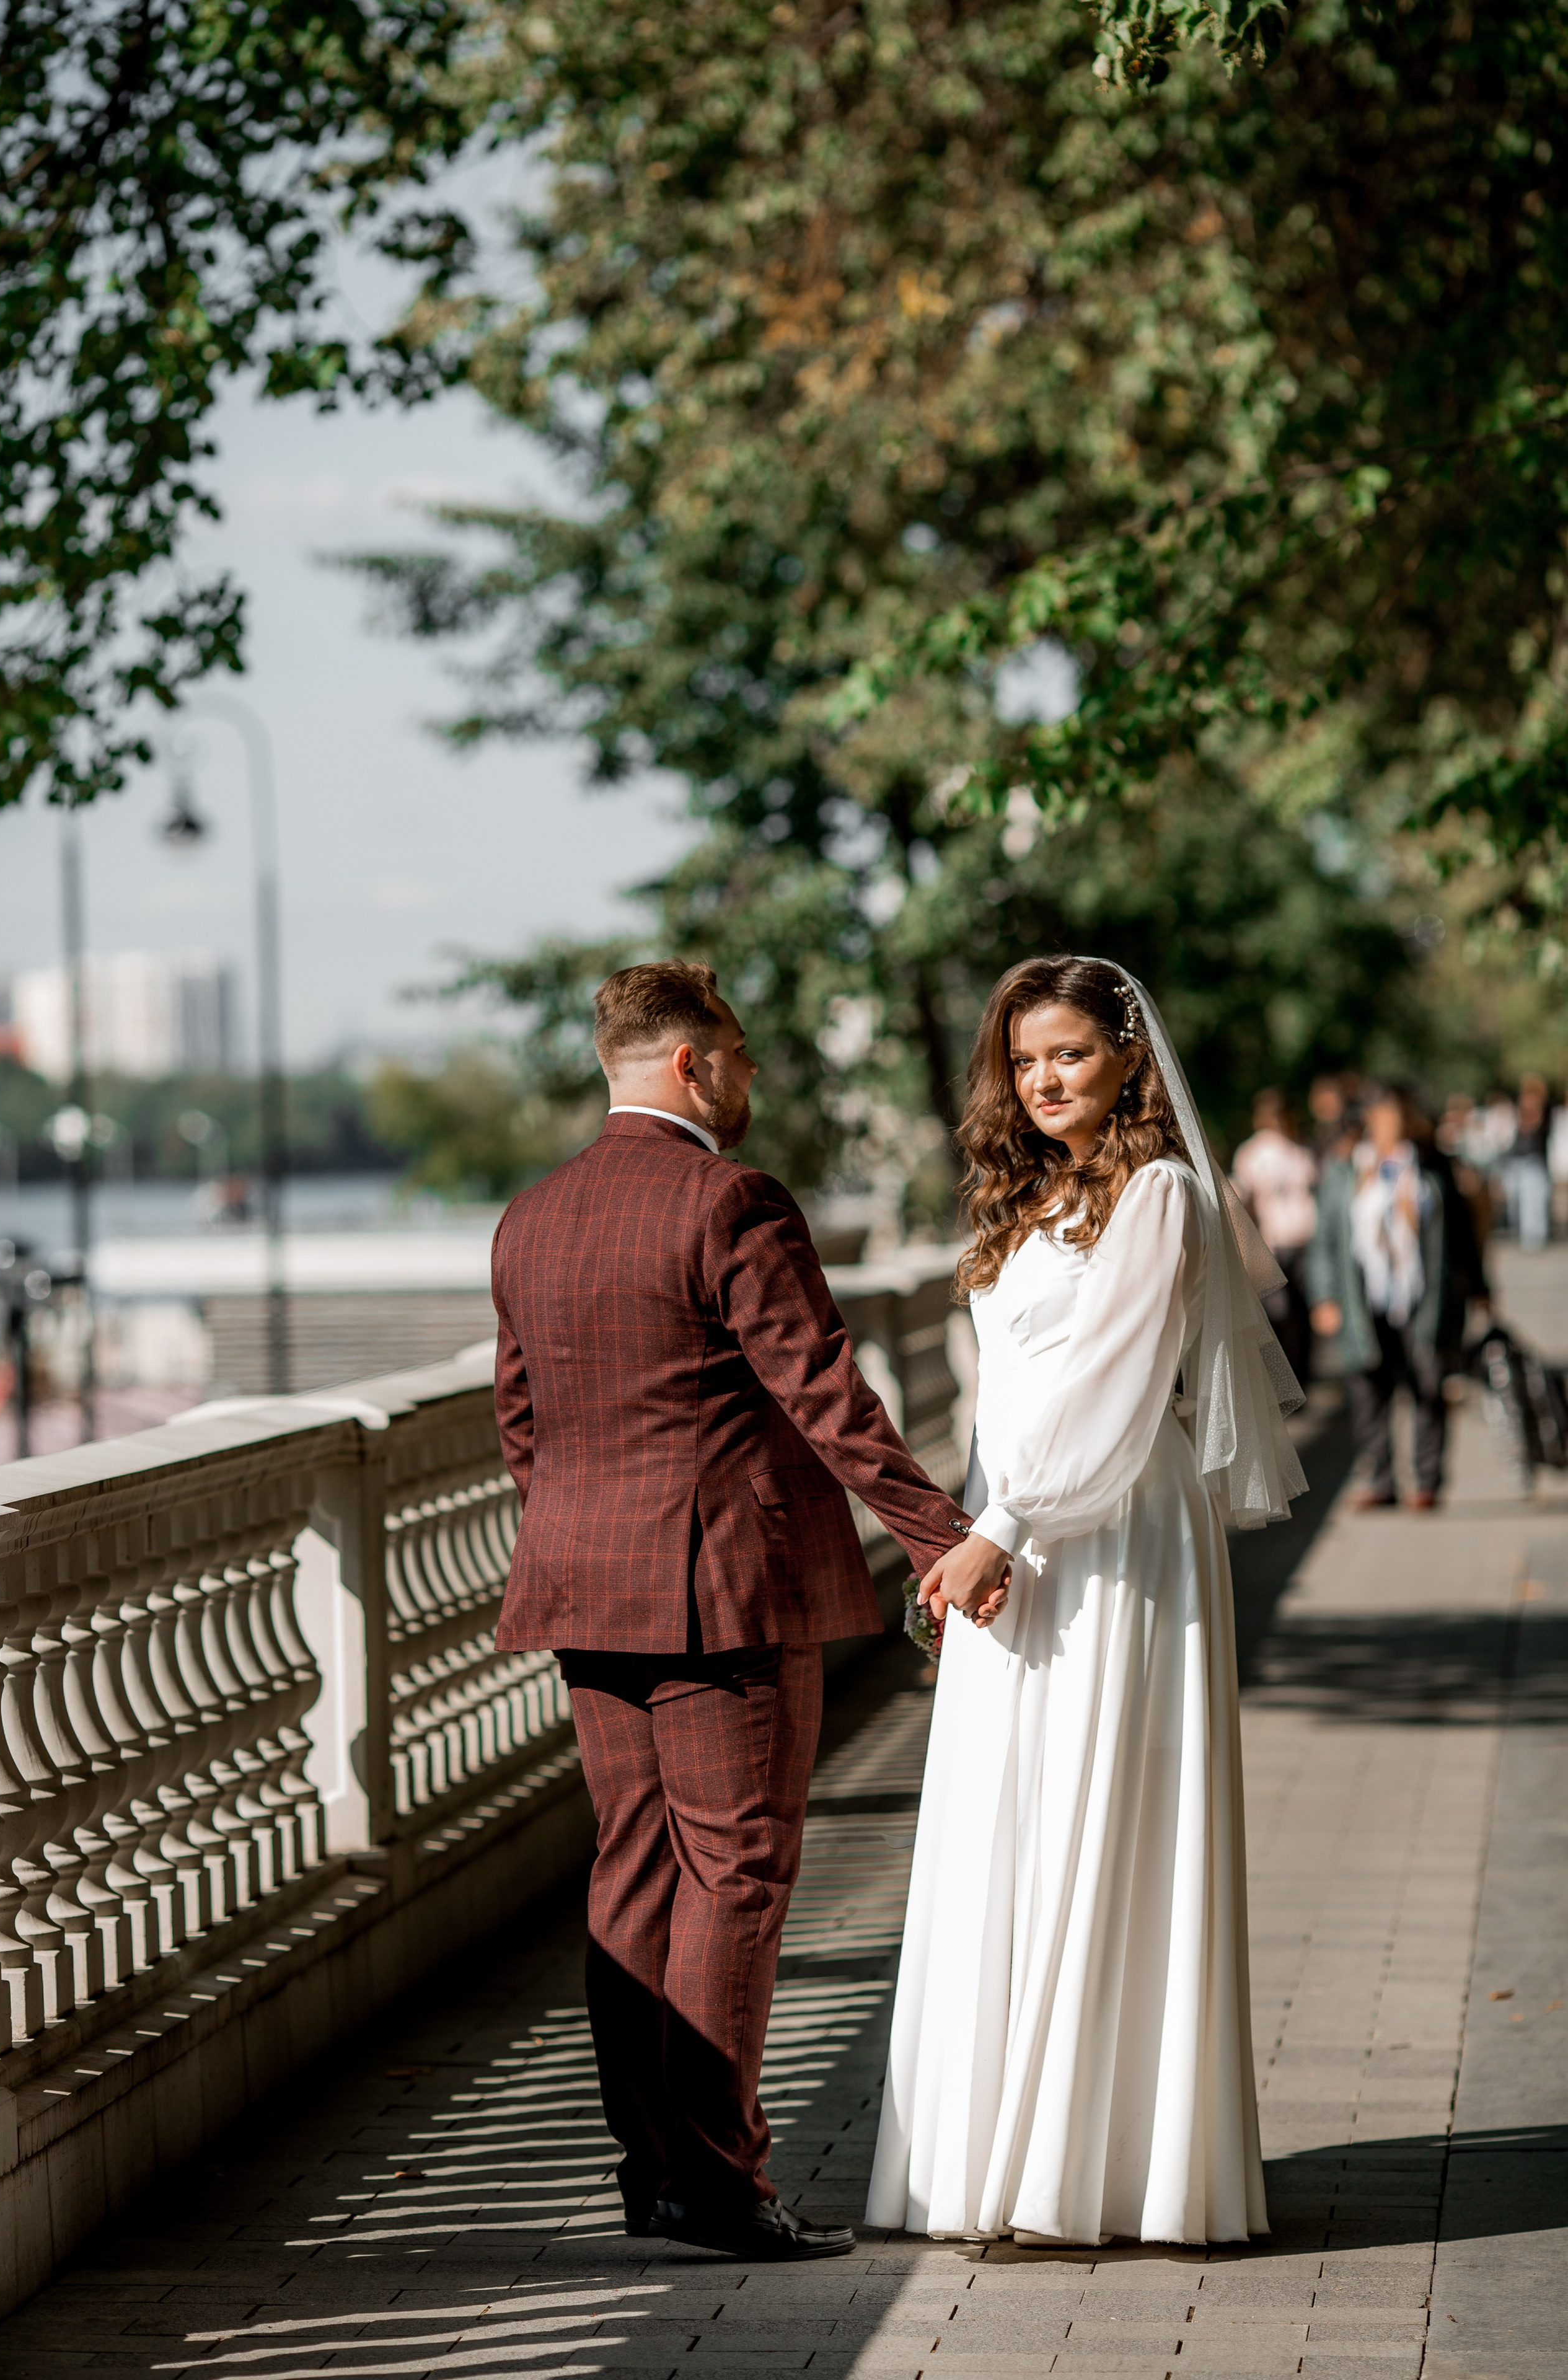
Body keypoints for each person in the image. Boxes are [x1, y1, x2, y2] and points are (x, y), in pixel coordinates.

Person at [490, 959, 1006, 2263]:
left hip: (582, 1585)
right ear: (689, 1064)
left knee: (632, 1872)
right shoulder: (729, 1198)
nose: (753, 1075)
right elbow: (825, 1390)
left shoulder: (529, 1215)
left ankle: (653, 2172)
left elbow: (520, 1423)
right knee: (739, 1872)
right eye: (741, 1052)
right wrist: (948, 1538)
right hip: (724, 1595)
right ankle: (720, 2186)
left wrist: (578, 1539)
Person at [867, 955, 1304, 2248]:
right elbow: (1011, 1398)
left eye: (1066, 1053)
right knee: (1003, 1821)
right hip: (1016, 1529)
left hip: (1109, 1533)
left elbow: (1112, 1387)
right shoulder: (1026, 1197)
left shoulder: (1162, 1194)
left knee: (1098, 1817)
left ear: (1123, 1056)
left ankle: (1100, 2170)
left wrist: (998, 1530)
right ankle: (983, 2160)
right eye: (1022, 1060)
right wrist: (972, 1529)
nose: (1043, 1080)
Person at [1308, 1083, 1486, 1510]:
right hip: (1364, 1301)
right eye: (1382, 1116)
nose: (1391, 1124)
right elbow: (1327, 1240)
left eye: (1398, 1116)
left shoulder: (1432, 1168)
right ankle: (1381, 1479)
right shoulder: (1347, 1171)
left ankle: (1427, 1481)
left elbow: (1463, 1235)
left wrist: (1481, 1287)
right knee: (1369, 1390)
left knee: (1428, 1384)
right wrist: (1325, 1297)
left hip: (1424, 1298)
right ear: (1368, 1120)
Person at [1232, 1088, 1318, 1385]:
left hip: (1305, 1243)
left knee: (1303, 1315)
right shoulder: (1253, 1153)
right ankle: (1282, 1379)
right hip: (1273, 1245)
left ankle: (1303, 1375)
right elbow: (1244, 1203)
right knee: (1280, 1316)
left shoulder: (1302, 1150)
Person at [1505, 1073, 1552, 1250]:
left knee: (1534, 1202)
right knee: (1520, 1202)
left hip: (1534, 1162)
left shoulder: (1544, 1113)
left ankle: (1535, 1238)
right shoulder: (1517, 1112)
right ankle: (1525, 1235)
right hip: (1518, 1161)